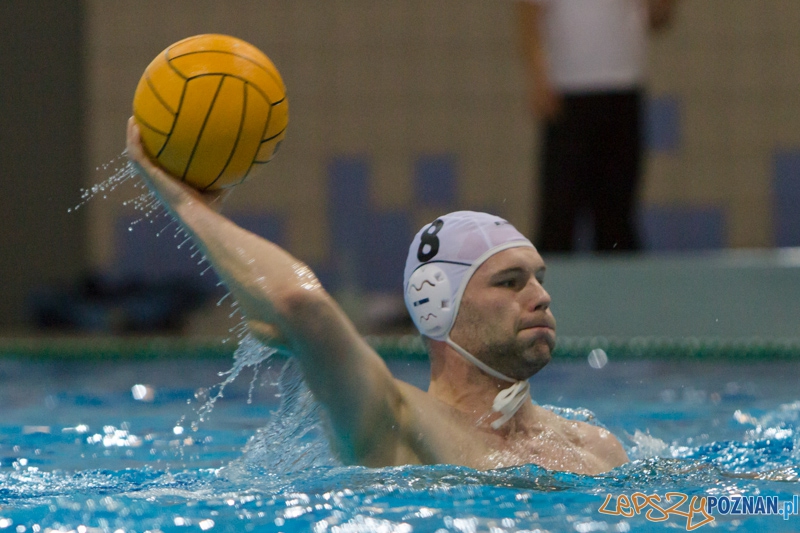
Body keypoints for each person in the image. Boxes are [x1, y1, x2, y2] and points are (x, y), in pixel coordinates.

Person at [126, 118, 628, 474]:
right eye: (510, 282)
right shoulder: (396, 424)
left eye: (539, 278)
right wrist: (187, 203)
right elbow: (300, 305)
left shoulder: (598, 450)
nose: (540, 297)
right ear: (437, 304)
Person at [517, 0, 677, 252]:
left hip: (623, 88)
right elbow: (528, 13)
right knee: (559, 214)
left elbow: (658, 18)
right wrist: (538, 75)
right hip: (568, 90)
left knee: (616, 217)